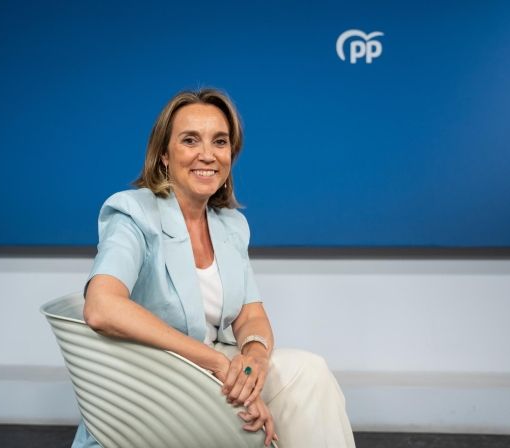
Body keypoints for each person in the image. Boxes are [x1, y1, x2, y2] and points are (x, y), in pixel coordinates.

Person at [72, 88, 356, 447]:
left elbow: (251, 315)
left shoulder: (230, 225)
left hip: (206, 375)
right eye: (190, 140)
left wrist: (254, 360)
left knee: (309, 373)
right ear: (164, 155)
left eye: (219, 142)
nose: (207, 154)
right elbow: (101, 307)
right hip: (151, 383)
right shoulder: (133, 213)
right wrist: (218, 364)